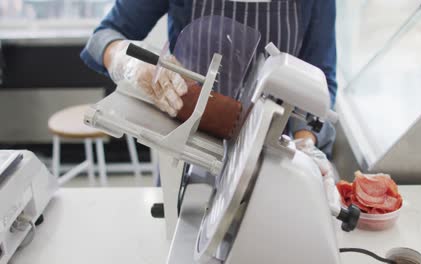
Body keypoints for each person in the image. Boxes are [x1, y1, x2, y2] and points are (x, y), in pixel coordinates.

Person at [80, 0, 337, 157]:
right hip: (185, 153)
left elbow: (320, 77)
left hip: (270, 159)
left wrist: (305, 144)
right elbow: (103, 37)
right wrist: (127, 61)